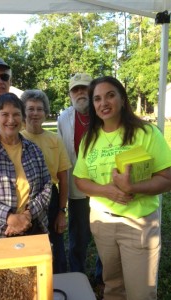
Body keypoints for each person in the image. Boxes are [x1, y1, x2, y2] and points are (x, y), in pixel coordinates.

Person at [73, 76, 171, 300]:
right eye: (97, 99)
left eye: (110, 95)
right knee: (113, 287)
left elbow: (167, 178)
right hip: (103, 223)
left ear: (122, 99)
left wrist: (133, 186)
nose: (103, 103)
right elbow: (80, 180)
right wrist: (107, 191)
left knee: (140, 293)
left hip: (138, 224)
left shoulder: (146, 133)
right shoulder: (90, 138)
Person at [0, 93, 52, 240]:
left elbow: (47, 185)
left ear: (23, 118)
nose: (11, 120)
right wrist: (9, 218)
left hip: (32, 227)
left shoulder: (33, 150)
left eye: (16, 114)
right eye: (4, 114)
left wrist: (28, 214)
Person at [57, 73, 103, 281]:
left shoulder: (103, 114)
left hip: (103, 187)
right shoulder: (64, 118)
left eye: (84, 88)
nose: (80, 93)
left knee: (104, 234)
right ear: (70, 94)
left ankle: (103, 275)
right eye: (76, 89)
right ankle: (77, 275)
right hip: (77, 187)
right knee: (78, 235)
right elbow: (60, 153)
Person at [21, 89, 72, 274]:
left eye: (39, 109)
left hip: (51, 197)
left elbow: (64, 178)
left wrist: (61, 211)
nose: (35, 113)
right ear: (23, 112)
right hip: (23, 200)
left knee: (55, 246)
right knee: (26, 247)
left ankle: (58, 282)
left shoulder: (55, 139)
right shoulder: (16, 138)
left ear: (45, 113)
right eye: (30, 109)